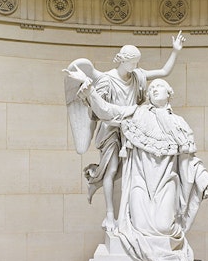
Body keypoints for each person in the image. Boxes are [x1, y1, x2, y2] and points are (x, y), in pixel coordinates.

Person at [64, 74, 208, 261]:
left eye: (159, 86)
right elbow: (108, 112)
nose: (154, 89)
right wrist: (90, 91)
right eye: (151, 88)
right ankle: (152, 258)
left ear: (169, 94)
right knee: (140, 226)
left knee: (163, 228)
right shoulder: (136, 114)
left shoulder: (179, 124)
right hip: (139, 182)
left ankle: (165, 257)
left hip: (166, 182)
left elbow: (190, 163)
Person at [64, 33, 185, 232]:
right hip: (111, 128)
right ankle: (110, 215)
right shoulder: (106, 80)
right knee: (112, 169)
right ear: (122, 60)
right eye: (132, 63)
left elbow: (164, 71)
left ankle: (128, 215)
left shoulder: (137, 76)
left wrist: (175, 51)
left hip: (133, 128)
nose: (136, 67)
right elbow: (98, 109)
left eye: (137, 63)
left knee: (134, 170)